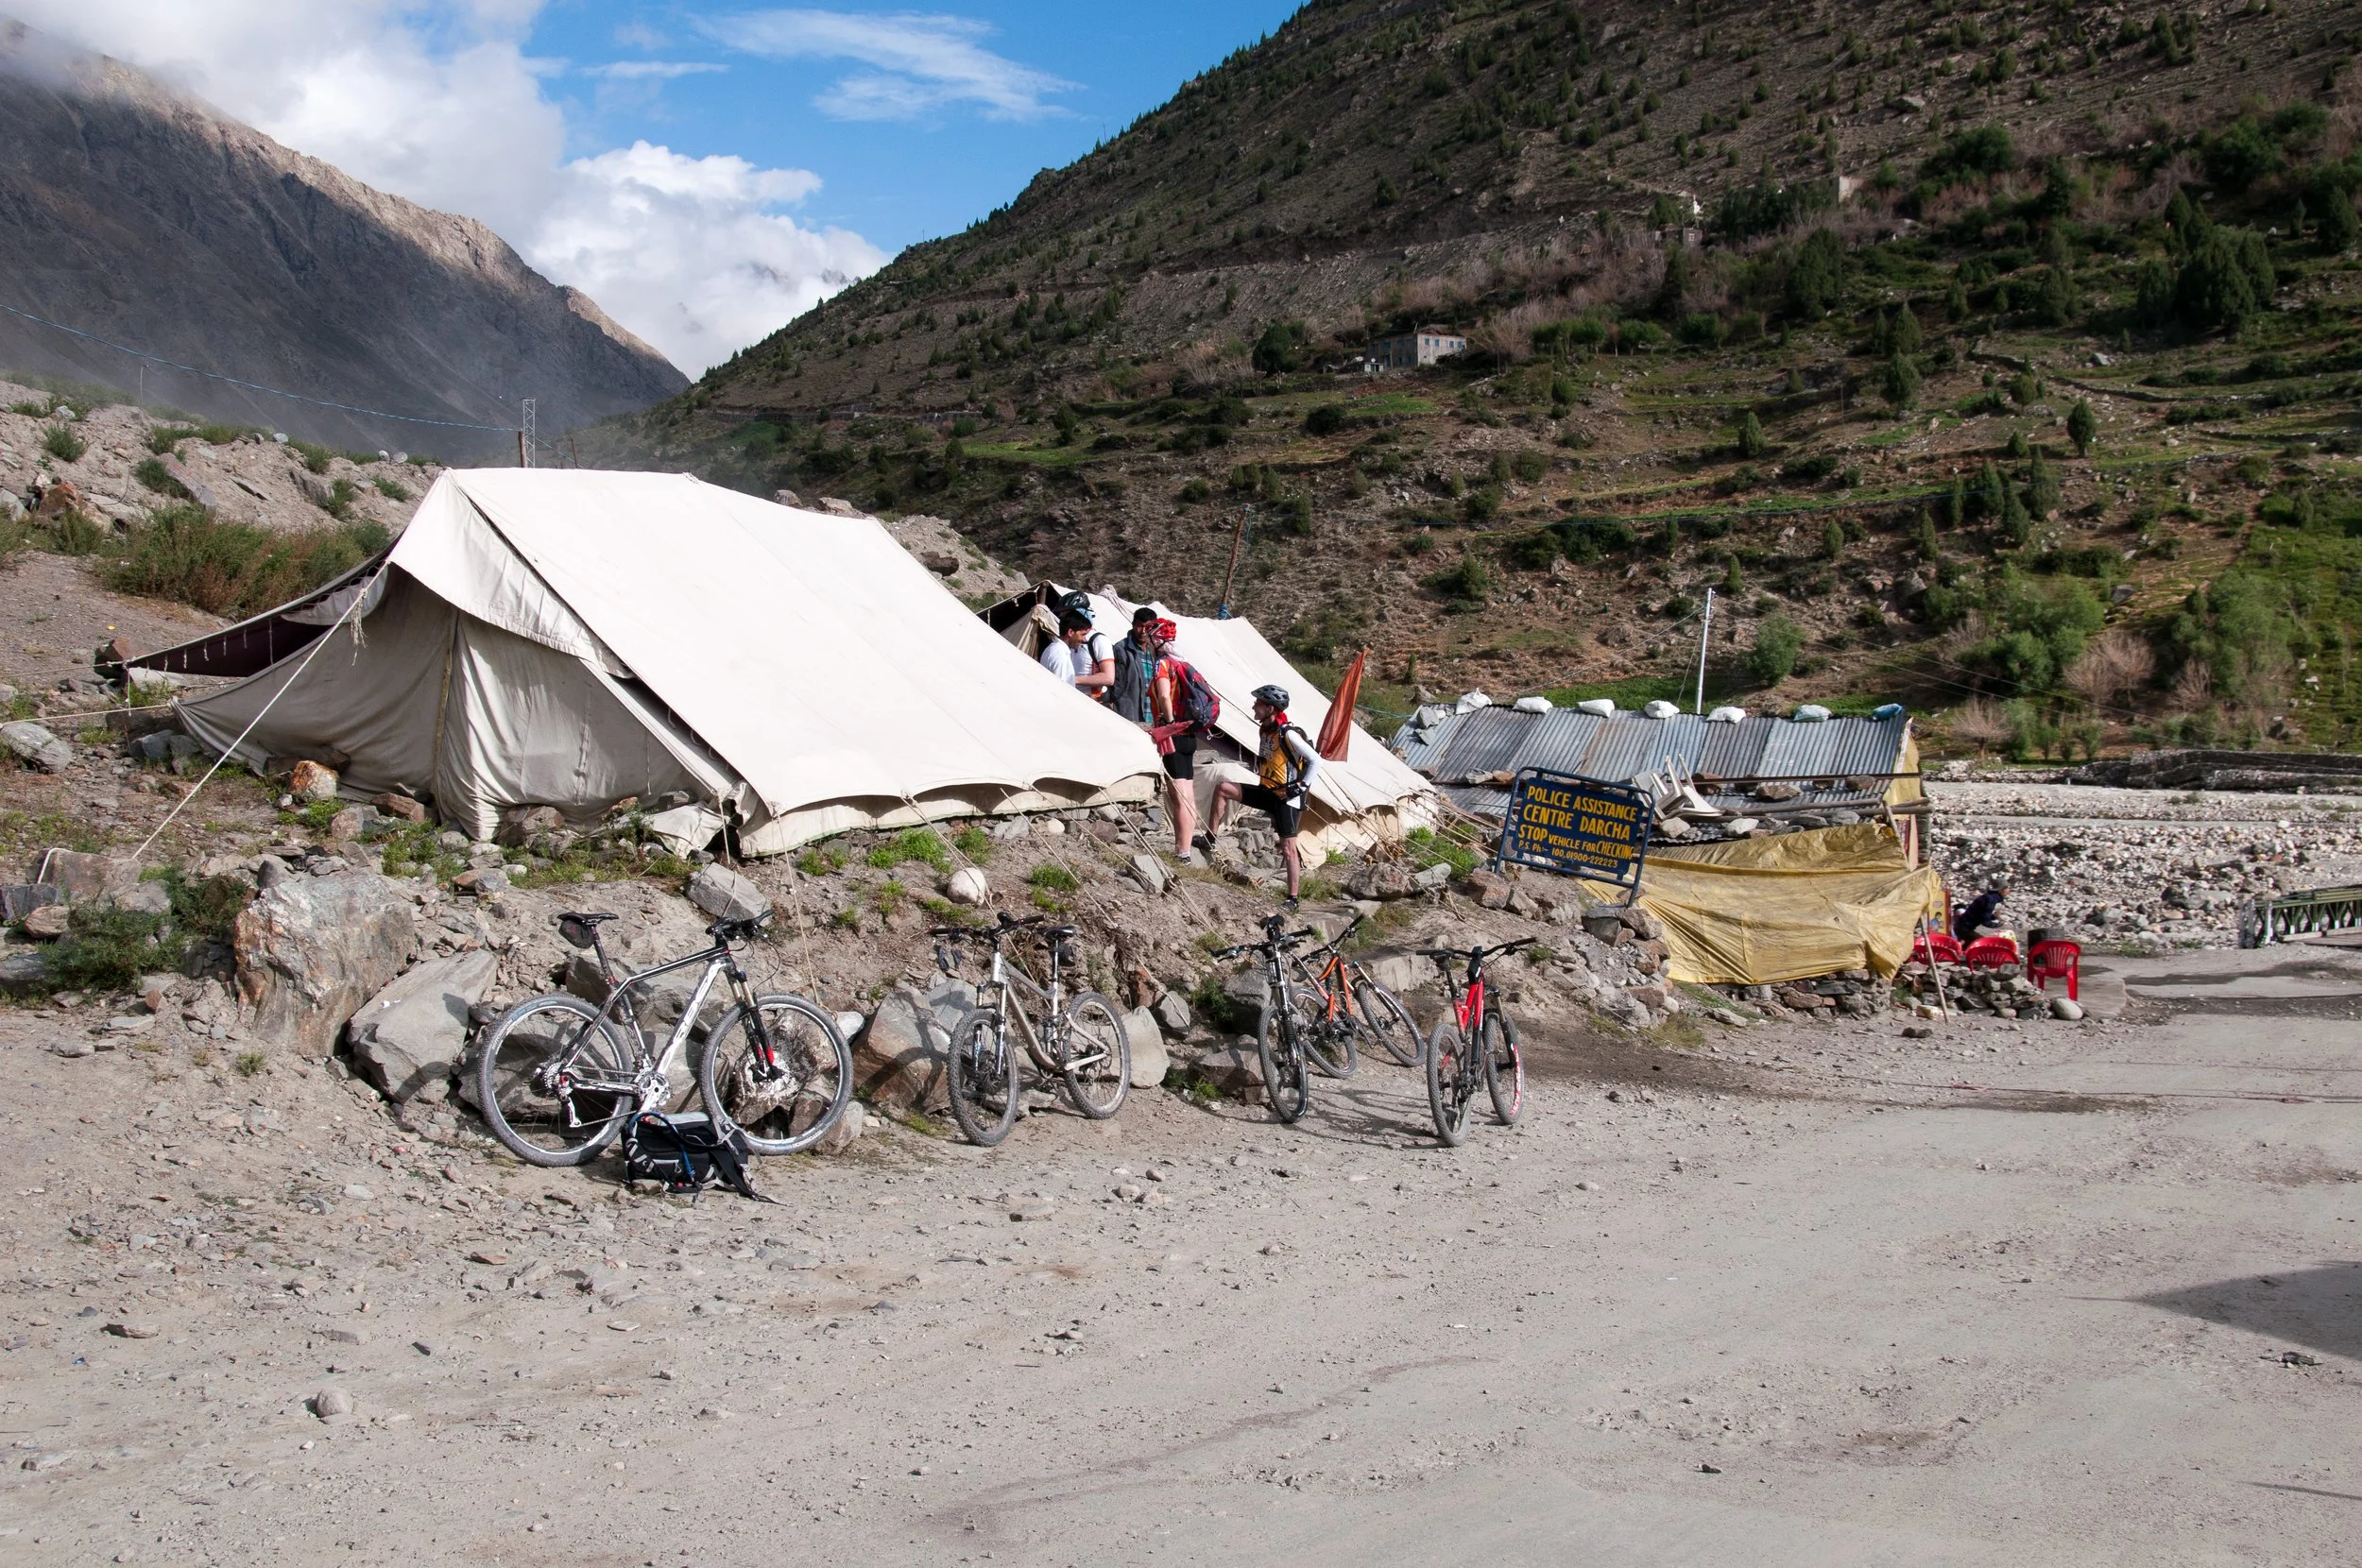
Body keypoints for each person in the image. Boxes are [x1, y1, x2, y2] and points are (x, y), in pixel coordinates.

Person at [1208, 684, 1322, 906]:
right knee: (1223, 788)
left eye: (1258, 704)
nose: (1254, 706)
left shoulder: (1287, 733)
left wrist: (1299, 786)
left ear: (1270, 708)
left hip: (1286, 797)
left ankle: (1293, 898)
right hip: (1267, 790)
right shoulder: (1265, 730)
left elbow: (1316, 760)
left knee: (1288, 847)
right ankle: (1209, 838)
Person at [1140, 618, 1215, 861]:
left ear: (1157, 639)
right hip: (1189, 734)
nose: (1147, 641)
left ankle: (1182, 852)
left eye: (1149, 637)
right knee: (1188, 794)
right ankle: (1183, 850)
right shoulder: (1181, 662)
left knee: (1179, 795)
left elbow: (1163, 696)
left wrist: (1168, 722)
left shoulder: (1163, 664)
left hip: (1172, 735)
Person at [1037, 609, 1112, 696]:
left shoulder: (1054, 649)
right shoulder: (1060, 655)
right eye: (1082, 634)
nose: (1084, 639)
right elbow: (1059, 691)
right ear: (1070, 632)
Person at [1107, 605, 1158, 723]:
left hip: (1152, 717)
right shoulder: (1121, 649)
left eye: (1148, 627)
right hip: (1129, 716)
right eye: (1140, 626)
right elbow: (1115, 685)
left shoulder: (1156, 652)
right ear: (1133, 624)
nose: (1143, 631)